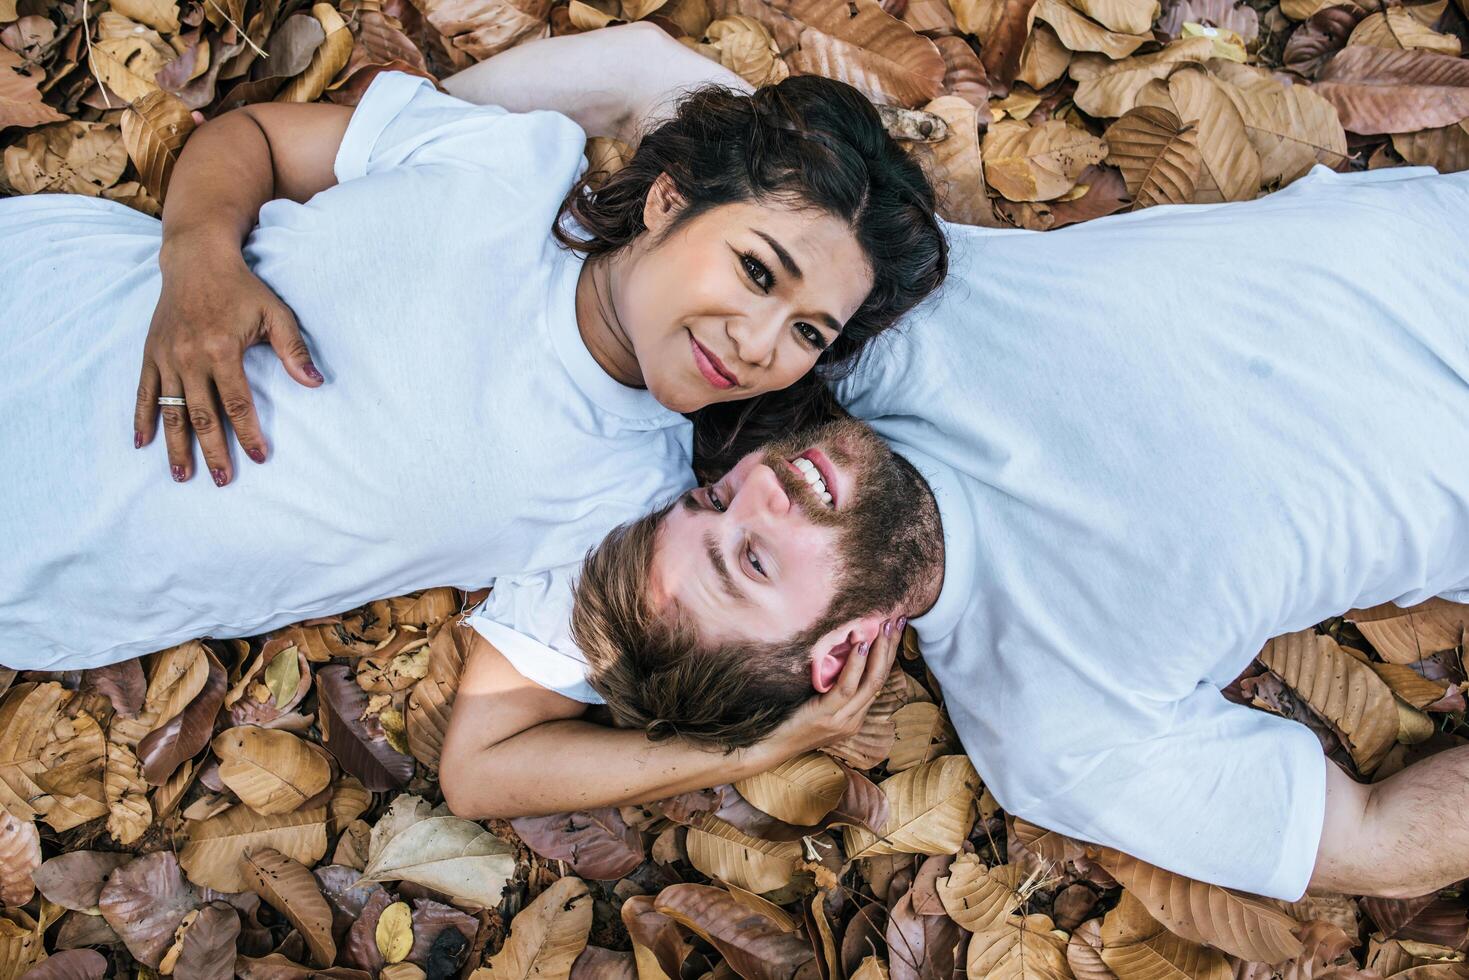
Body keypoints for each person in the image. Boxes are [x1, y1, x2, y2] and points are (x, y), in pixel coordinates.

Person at [555, 165, 1469, 903]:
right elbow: (1376, 843)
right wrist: (760, 749)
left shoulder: (866, 329)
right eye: (752, 560)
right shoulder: (1058, 726)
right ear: (835, 659)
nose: (762, 489)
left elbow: (647, 94)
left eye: (712, 501)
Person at [0, 24, 946, 670]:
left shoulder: (632, 497)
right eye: (755, 271)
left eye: (808, 333)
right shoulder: (509, 166)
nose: (758, 346)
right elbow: (251, 135)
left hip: (38, 562)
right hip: (41, 299)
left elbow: (489, 760)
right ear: (669, 200)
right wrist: (199, 258)